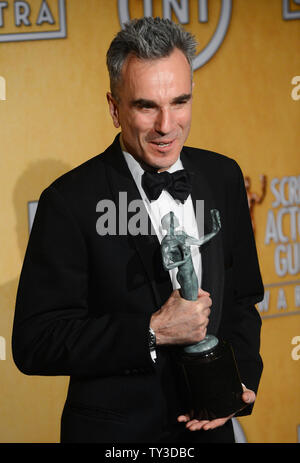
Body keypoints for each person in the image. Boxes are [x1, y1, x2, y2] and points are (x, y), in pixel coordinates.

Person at [12, 17, 264, 443]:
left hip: (213, 432)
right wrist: (152, 330)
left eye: (180, 102)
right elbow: (36, 342)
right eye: (147, 106)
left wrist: (236, 385)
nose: (167, 126)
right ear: (114, 108)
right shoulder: (69, 202)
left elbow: (242, 299)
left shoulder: (222, 176)